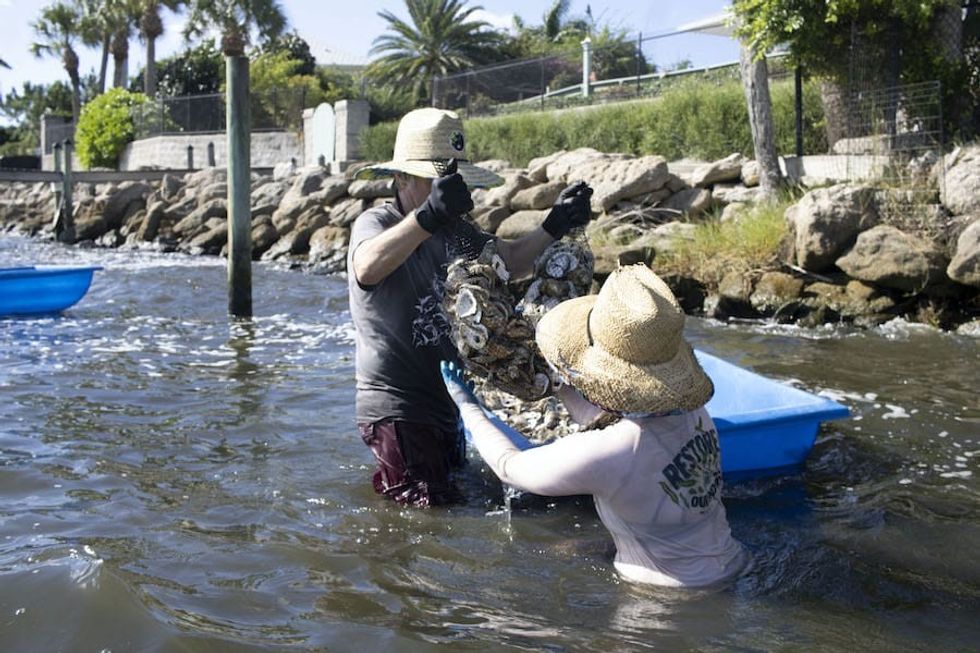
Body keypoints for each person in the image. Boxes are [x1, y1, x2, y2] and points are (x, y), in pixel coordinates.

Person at [442, 264, 749, 587]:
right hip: (735, 562)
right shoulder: (692, 411)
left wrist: (467, 405)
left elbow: (509, 466)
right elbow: (612, 422)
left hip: (665, 600)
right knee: (569, 548)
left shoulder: (610, 451)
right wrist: (560, 387)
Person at [347, 107, 593, 507]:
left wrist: (556, 223)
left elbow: (509, 263)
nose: (448, 191)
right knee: (423, 522)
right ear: (401, 178)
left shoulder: (456, 231)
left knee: (453, 506)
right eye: (435, 181)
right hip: (397, 406)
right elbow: (367, 266)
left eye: (451, 181)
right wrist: (427, 217)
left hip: (451, 400)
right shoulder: (378, 222)